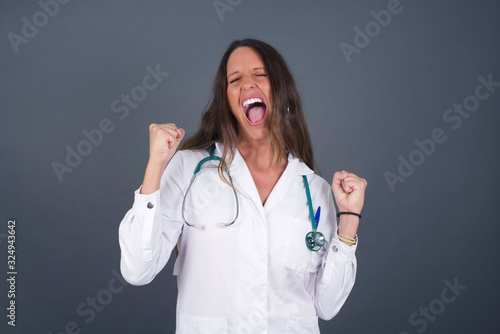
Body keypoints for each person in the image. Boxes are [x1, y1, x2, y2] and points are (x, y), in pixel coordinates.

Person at [119, 38, 367, 333]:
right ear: (227, 100)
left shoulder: (314, 190)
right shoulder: (190, 170)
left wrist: (348, 223)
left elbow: (327, 306)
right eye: (235, 79)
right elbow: (137, 271)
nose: (247, 84)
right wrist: (155, 166)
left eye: (260, 74)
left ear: (281, 90)